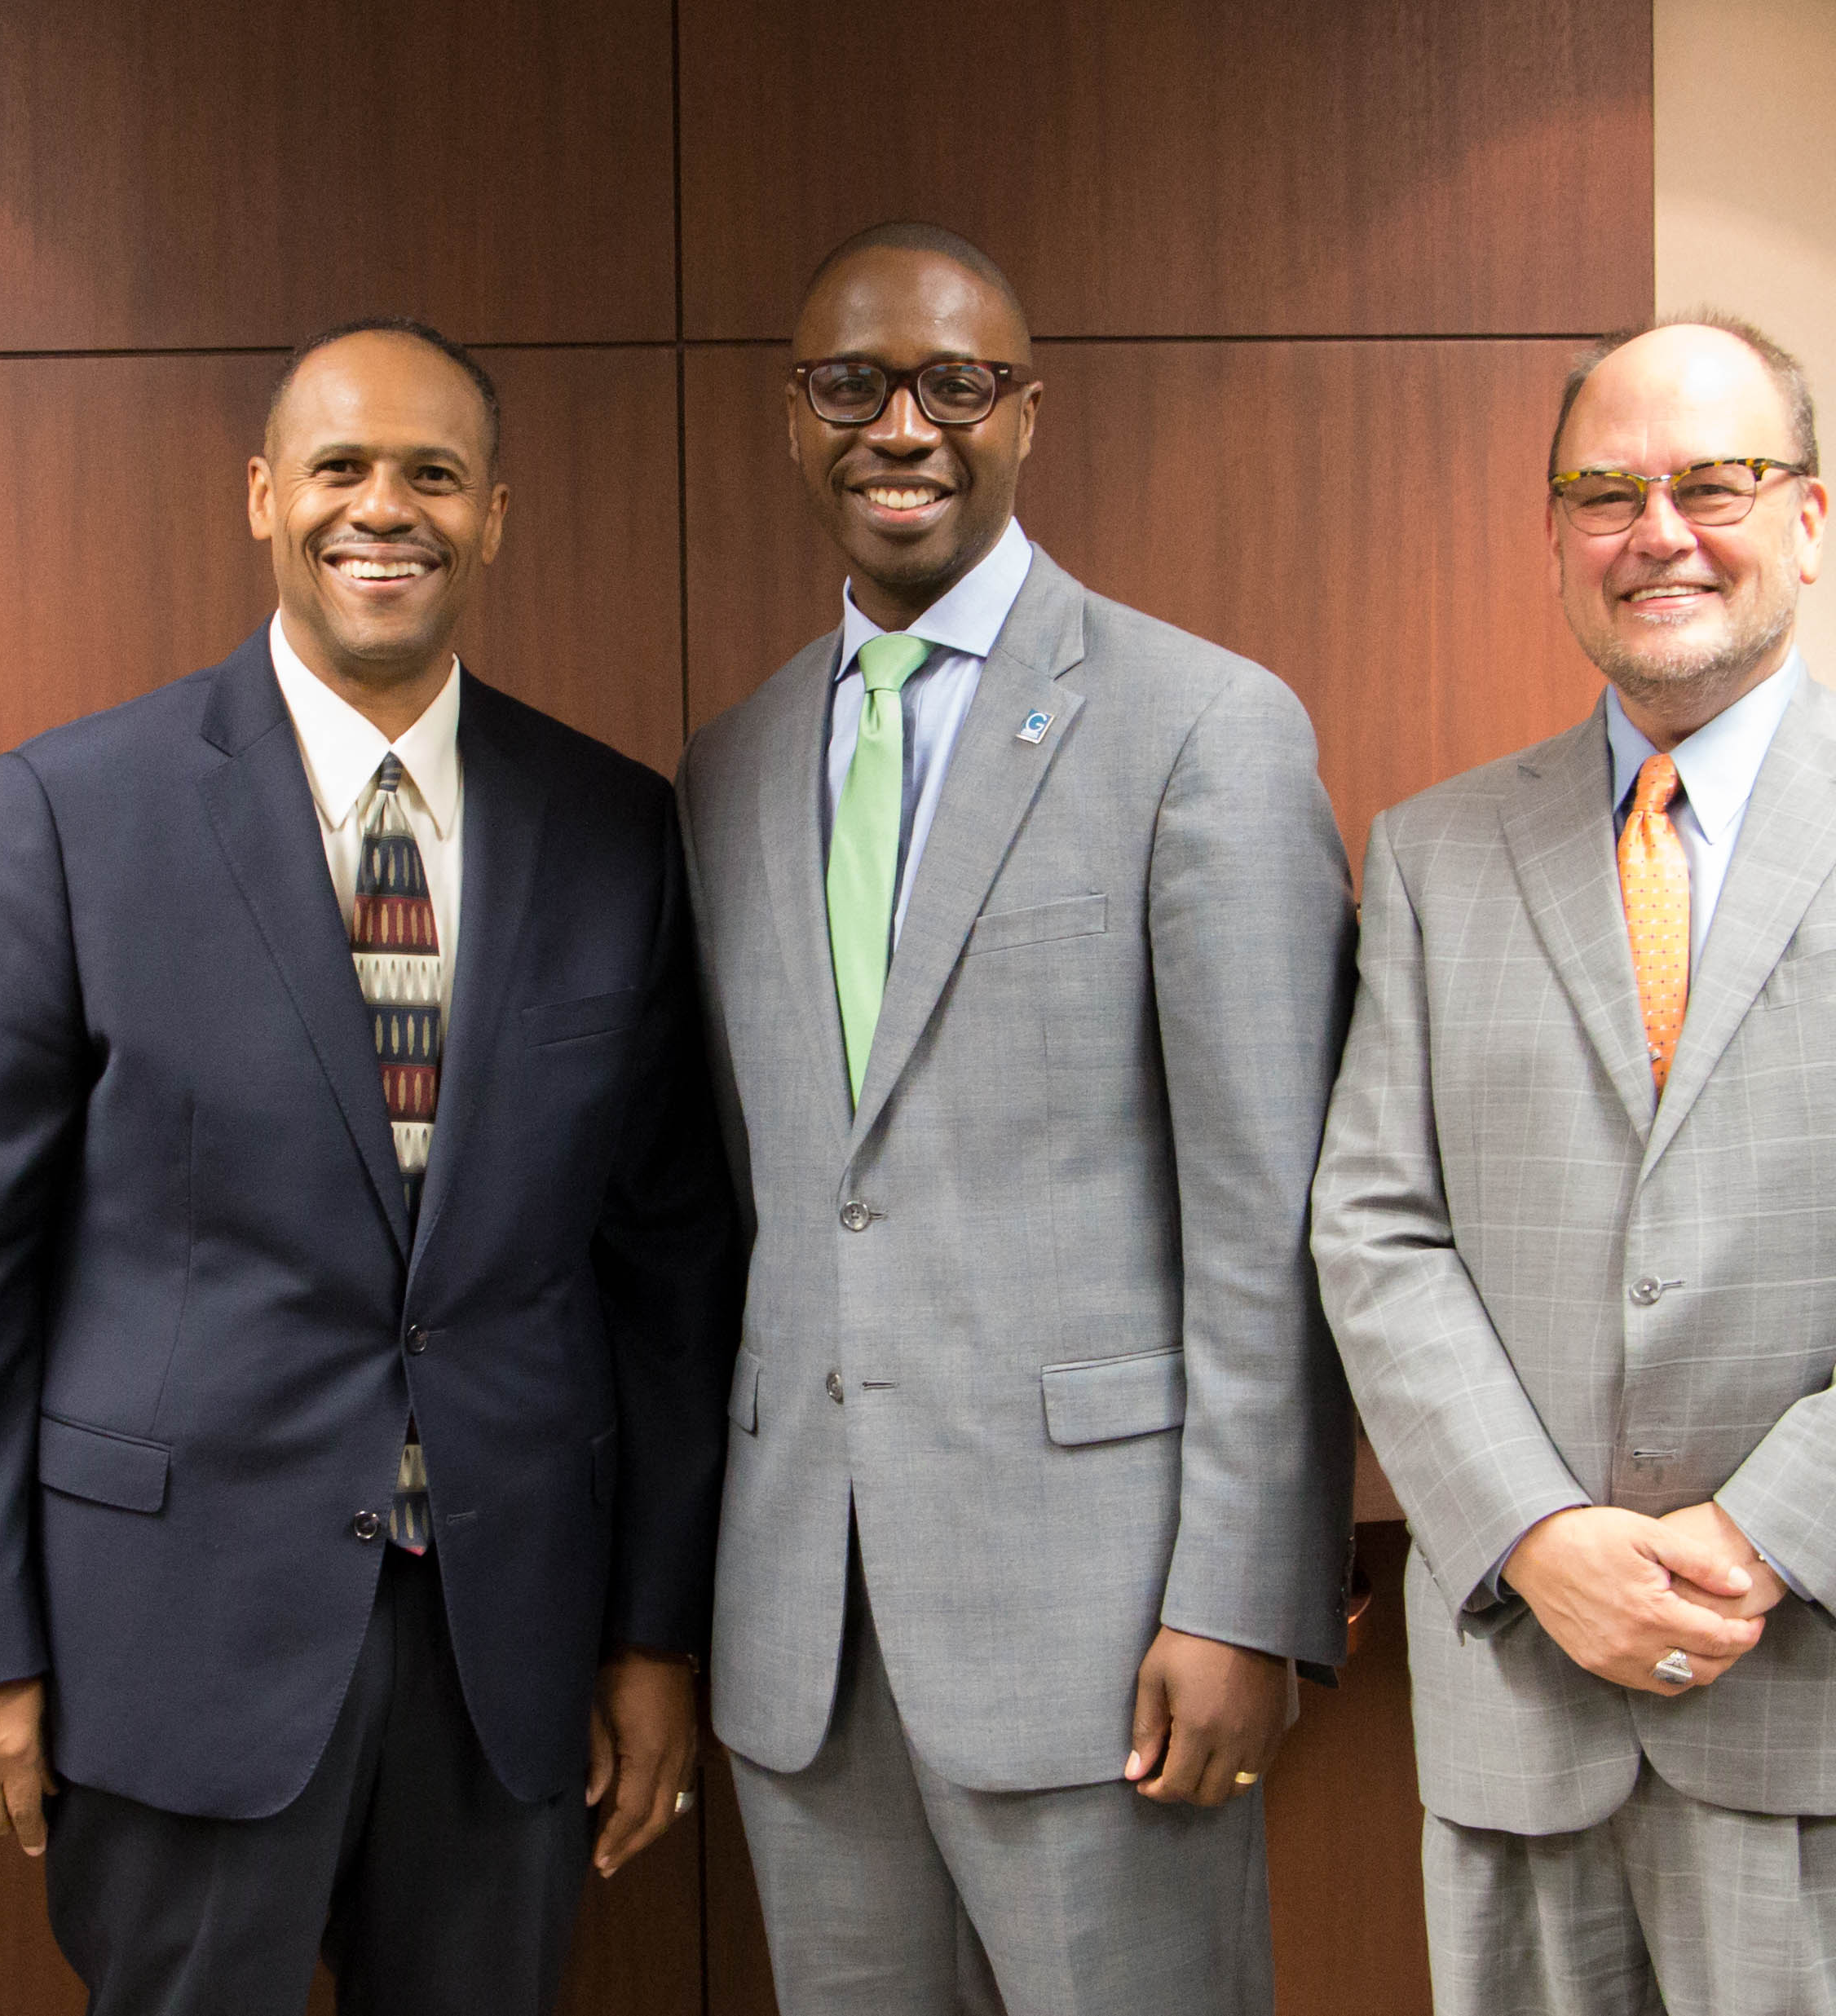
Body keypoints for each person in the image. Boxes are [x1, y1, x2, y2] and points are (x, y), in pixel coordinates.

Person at [0, 316, 741, 2015]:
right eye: (342, 467)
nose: (385, 508)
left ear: (494, 514)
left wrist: (653, 1632)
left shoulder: (612, 824)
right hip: (174, 1630)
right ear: (264, 496)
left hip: (507, 1644)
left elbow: (661, 1273)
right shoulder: (75, 807)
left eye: (434, 473)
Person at [1311, 316, 1836, 2016]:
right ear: (1552, 538)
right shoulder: (1439, 851)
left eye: (1714, 482)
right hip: (1532, 1705)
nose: (1656, 529)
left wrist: (1760, 1532)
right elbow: (1375, 1228)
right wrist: (1533, 1535)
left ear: (1808, 520)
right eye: (1603, 491)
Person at [677, 223, 1357, 2014]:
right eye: (851, 384)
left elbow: (1269, 1216)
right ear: (793, 417)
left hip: (1111, 1633)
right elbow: (769, 1204)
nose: (901, 424)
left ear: (1027, 415)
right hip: (802, 1638)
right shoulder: (733, 763)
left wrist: (1243, 1599)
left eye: (953, 384)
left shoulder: (1204, 725)